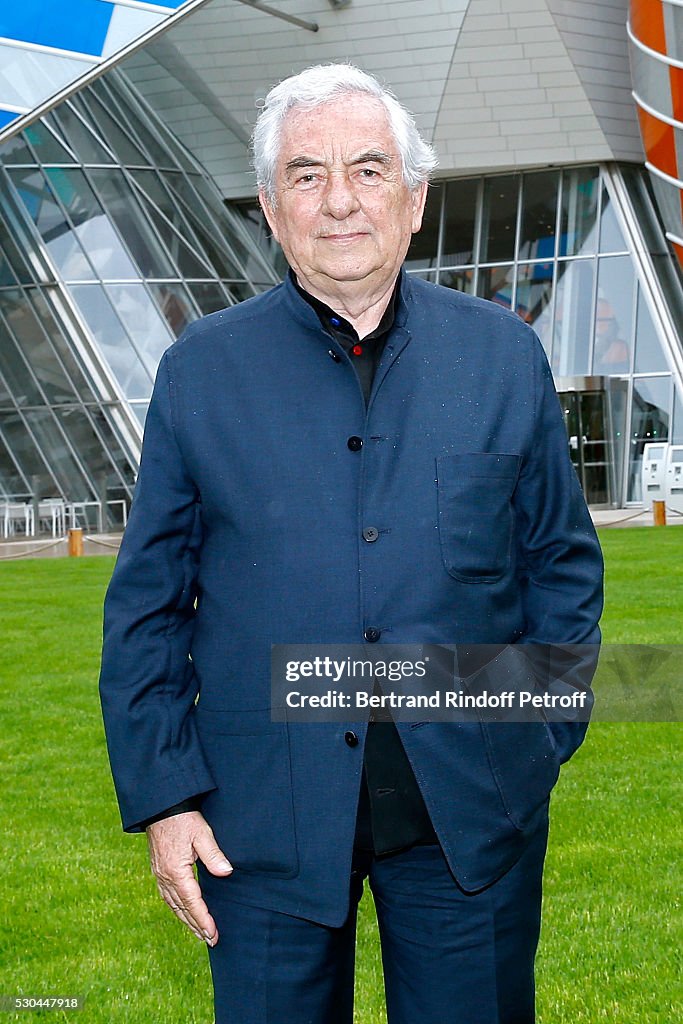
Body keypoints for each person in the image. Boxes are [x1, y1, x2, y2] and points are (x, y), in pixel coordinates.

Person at [99, 63, 604, 1024]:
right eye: (306, 174)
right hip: (256, 825)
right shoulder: (200, 371)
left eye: (369, 171)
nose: (339, 201)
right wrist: (167, 800)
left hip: (470, 813)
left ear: (413, 202)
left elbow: (562, 567)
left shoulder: (504, 357)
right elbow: (147, 614)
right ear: (269, 206)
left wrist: (536, 736)